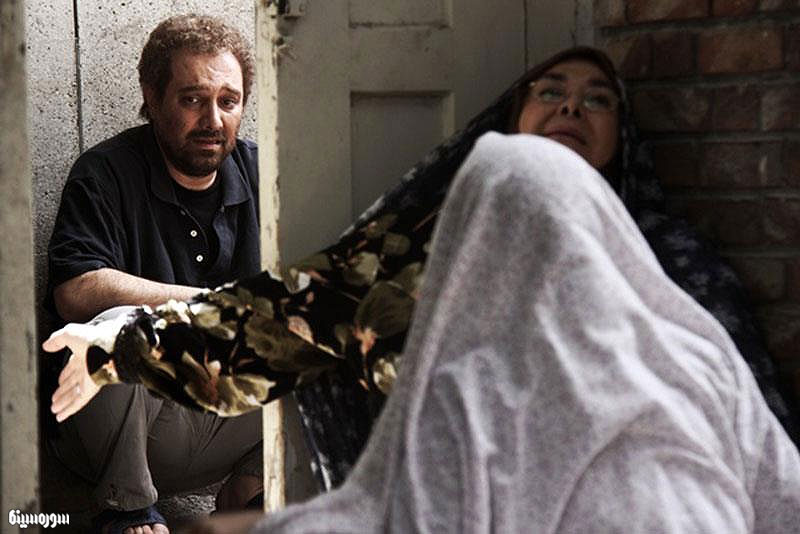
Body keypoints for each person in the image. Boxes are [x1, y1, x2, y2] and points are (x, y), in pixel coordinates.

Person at [44, 47, 800, 531]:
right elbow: (295, 324)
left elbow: (766, 453)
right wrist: (121, 347)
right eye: (551, 91)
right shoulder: (433, 258)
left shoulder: (681, 277)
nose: (573, 106)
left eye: (598, 98)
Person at [45, 14, 263, 534]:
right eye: (192, 99)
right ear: (152, 95)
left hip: (225, 418)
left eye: (228, 101)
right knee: (117, 325)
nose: (213, 119)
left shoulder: (265, 171)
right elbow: (76, 290)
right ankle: (127, 508)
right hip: (127, 427)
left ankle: (251, 487)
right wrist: (201, 302)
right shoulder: (104, 172)